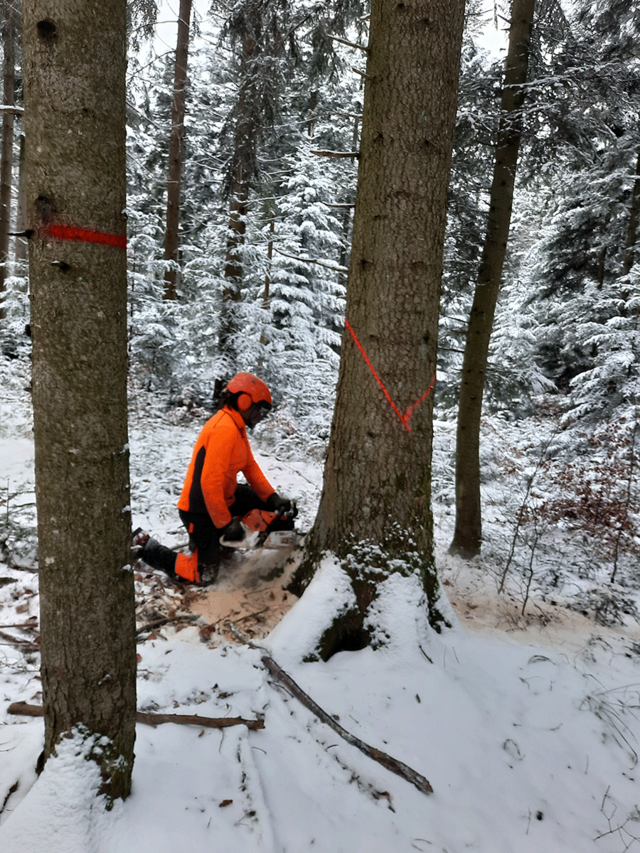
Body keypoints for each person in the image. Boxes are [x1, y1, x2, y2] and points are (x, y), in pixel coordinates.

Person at [134, 372, 296, 584]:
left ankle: (225, 539)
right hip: (199, 509)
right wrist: (226, 524)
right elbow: (209, 486)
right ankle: (147, 547)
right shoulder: (224, 428)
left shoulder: (237, 427)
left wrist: (272, 498)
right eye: (260, 409)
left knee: (279, 515)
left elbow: (250, 467)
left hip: (225, 497)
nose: (261, 415)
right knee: (203, 575)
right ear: (244, 401)